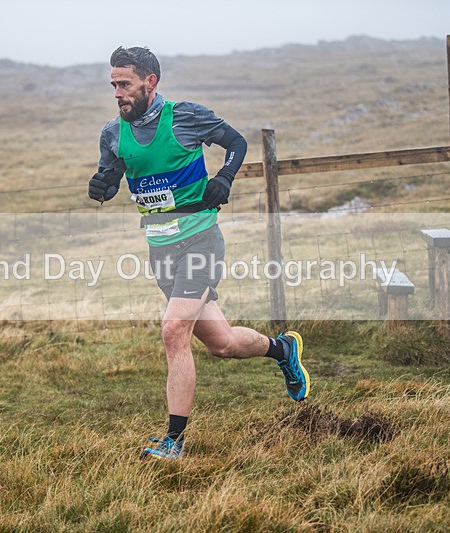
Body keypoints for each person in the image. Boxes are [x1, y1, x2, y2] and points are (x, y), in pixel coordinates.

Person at [88, 46, 310, 461]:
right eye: (113, 85)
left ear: (150, 82)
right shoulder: (113, 133)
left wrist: (224, 178)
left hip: (200, 240)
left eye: (125, 84)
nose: (118, 93)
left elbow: (236, 143)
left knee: (174, 331)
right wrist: (103, 185)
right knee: (222, 344)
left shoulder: (185, 117)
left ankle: (173, 442)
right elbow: (113, 172)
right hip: (160, 249)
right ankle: (283, 350)